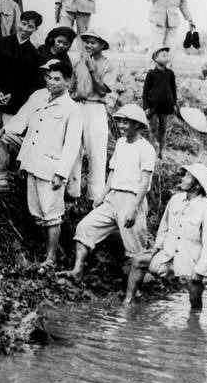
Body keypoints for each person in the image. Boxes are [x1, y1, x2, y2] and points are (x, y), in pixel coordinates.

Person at [0, 60, 82, 271]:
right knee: (36, 211)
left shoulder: (71, 109)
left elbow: (72, 146)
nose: (51, 82)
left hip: (51, 166)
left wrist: (61, 173)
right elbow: (21, 119)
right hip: (32, 161)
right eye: (48, 77)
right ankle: (51, 250)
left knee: (51, 212)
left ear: (68, 81)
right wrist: (6, 131)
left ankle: (51, 258)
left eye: (57, 79)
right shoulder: (38, 96)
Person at [59, 104, 155, 284]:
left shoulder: (147, 149)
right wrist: (102, 195)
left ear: (137, 125)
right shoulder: (120, 143)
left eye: (126, 123)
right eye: (120, 122)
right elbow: (113, 171)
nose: (121, 126)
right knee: (84, 228)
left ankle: (135, 294)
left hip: (133, 200)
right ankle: (77, 270)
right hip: (113, 199)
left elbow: (144, 182)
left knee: (137, 253)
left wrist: (134, 209)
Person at [124, 163, 207, 309]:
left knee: (195, 303)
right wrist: (156, 248)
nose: (183, 178)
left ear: (198, 185)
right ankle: (128, 302)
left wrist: (200, 272)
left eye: (188, 176)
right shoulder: (175, 200)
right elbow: (164, 227)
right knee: (138, 261)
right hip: (167, 257)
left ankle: (194, 324)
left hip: (191, 265)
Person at [0, 11, 42, 193]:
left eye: (31, 26)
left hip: (14, 104)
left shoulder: (33, 54)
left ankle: (2, 176)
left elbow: (29, 83)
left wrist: (13, 96)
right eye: (23, 23)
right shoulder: (1, 44)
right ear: (18, 23)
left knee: (5, 139)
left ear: (36, 29)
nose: (25, 28)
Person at [68, 29, 115, 201]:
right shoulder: (78, 63)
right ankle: (72, 191)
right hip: (78, 107)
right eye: (86, 41)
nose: (89, 45)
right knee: (73, 149)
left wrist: (93, 70)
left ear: (102, 45)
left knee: (96, 151)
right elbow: (71, 88)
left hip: (96, 108)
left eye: (93, 42)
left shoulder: (108, 65)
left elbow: (104, 89)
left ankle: (95, 196)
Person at [143, 46, 177, 158]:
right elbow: (145, 92)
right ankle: (151, 152)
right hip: (153, 107)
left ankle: (162, 152)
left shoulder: (170, 74)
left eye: (167, 55)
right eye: (163, 55)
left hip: (166, 107)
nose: (166, 57)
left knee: (163, 130)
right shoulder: (151, 74)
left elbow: (173, 89)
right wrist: (146, 107)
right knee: (153, 129)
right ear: (155, 59)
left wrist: (174, 103)